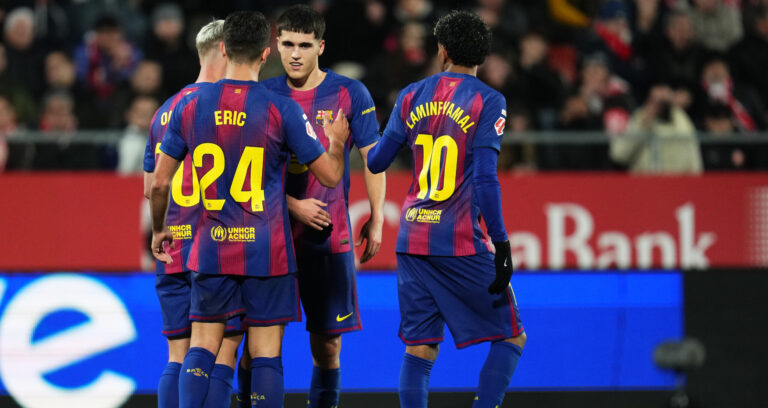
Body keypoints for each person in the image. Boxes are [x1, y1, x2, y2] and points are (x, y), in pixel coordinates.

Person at [149, 11, 349, 408]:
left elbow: (158, 183)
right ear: (264, 53)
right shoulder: (282, 109)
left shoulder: (188, 107)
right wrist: (338, 144)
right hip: (267, 249)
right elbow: (328, 177)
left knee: (202, 346)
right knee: (265, 353)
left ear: (223, 49)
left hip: (211, 245)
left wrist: (159, 229)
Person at [366, 11, 525, 408]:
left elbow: (377, 161)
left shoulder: (410, 94)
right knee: (511, 335)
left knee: (420, 349)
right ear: (483, 56)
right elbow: (487, 179)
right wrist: (502, 245)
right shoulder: (489, 101)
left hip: (412, 236)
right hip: (458, 240)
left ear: (442, 50)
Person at [258, 6, 385, 408]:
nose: (295, 54)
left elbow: (373, 159)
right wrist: (293, 205)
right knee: (258, 346)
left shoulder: (350, 93)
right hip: (271, 238)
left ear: (321, 46)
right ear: (276, 44)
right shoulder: (263, 95)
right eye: (288, 44)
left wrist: (377, 217)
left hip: (328, 242)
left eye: (304, 45)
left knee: (328, 347)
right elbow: (244, 178)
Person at [142, 20, 245, 408]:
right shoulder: (232, 107)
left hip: (172, 243)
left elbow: (152, 186)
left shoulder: (164, 111)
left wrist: (158, 231)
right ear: (224, 50)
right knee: (222, 353)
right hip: (218, 245)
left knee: (177, 354)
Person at [610, 84, 703, 173]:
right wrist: (642, 127)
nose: (659, 106)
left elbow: (693, 157)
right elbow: (619, 154)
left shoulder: (681, 119)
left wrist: (696, 181)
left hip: (677, 183)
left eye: (663, 102)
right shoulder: (640, 118)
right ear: (648, 101)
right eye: (656, 101)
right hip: (646, 182)